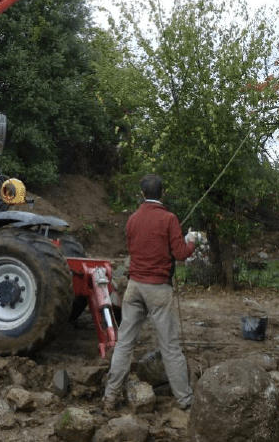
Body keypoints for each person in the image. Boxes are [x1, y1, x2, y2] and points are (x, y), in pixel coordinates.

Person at [102, 173, 199, 413]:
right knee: (170, 347)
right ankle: (185, 401)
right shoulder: (169, 218)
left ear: (142, 194)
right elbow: (181, 253)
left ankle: (109, 398)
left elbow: (137, 248)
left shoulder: (133, 219)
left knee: (124, 344)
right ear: (162, 193)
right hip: (158, 288)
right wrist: (192, 240)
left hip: (134, 287)